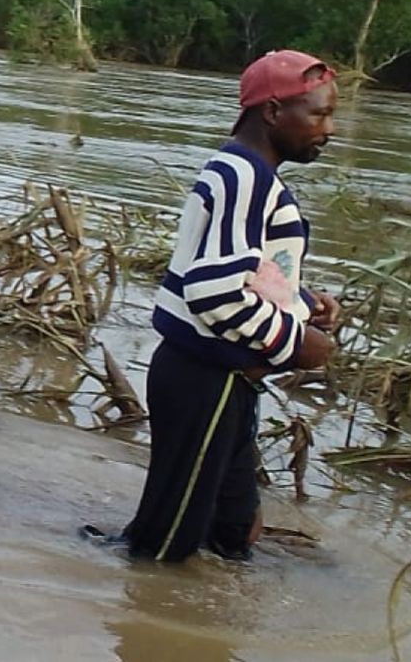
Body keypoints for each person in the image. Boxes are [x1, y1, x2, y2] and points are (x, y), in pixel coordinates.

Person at [106, 50, 341, 563]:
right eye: (319, 114)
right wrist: (295, 341)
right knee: (164, 548)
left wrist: (303, 304)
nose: (330, 128)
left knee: (235, 530)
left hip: (223, 379)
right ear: (274, 112)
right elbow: (211, 293)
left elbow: (246, 273)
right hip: (203, 378)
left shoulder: (245, 173)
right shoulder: (245, 179)